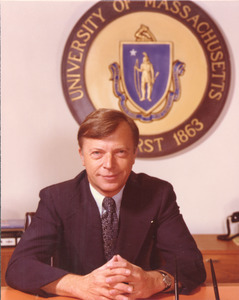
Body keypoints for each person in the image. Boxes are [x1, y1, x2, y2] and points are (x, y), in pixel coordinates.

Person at [6, 108, 206, 299]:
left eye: (120, 152)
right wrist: (78, 285)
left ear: (134, 154)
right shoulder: (57, 198)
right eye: (97, 153)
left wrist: (154, 281)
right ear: (82, 155)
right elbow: (18, 267)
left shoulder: (158, 194)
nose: (109, 165)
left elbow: (192, 265)